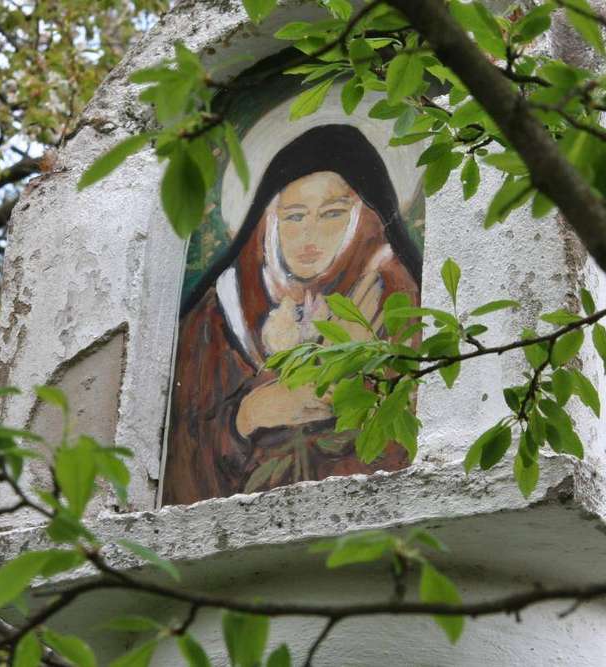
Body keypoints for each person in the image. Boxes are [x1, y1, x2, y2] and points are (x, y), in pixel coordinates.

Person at [162, 124, 422, 505]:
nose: (309, 236)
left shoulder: (396, 302)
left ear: (364, 217)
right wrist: (248, 414)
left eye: (332, 214)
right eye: (295, 216)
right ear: (269, 218)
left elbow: (406, 437)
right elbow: (184, 448)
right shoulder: (217, 315)